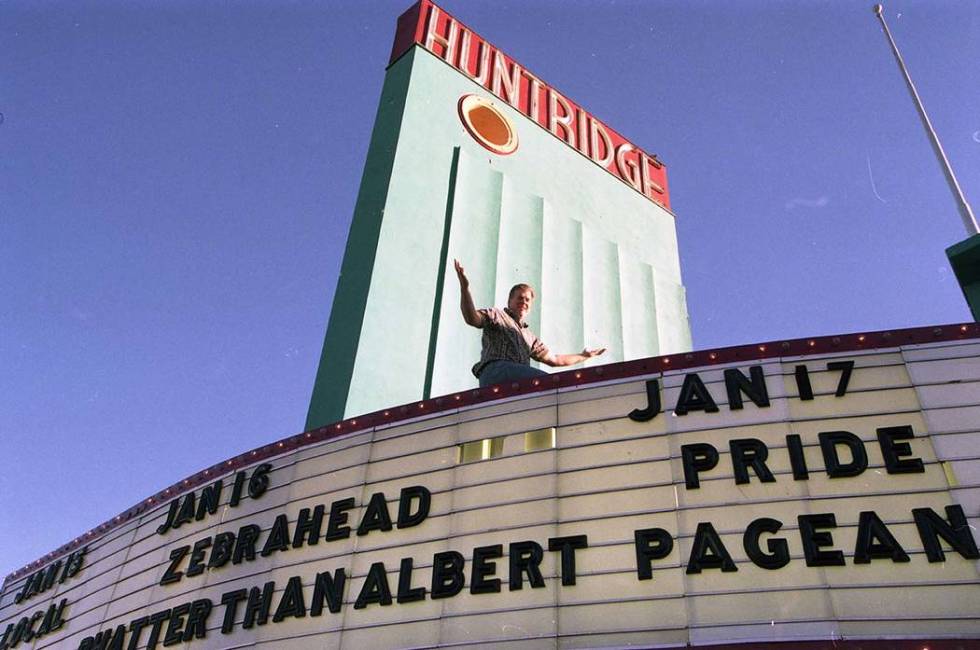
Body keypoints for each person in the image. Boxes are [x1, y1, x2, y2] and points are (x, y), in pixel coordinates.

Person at [454, 259, 606, 387]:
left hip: (514, 381)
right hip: (496, 370)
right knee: (551, 383)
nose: (524, 302)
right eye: (519, 298)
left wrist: (584, 356)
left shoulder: (529, 337)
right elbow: (472, 318)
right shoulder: (497, 315)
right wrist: (464, 289)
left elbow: (555, 360)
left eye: (527, 300)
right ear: (509, 301)